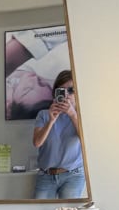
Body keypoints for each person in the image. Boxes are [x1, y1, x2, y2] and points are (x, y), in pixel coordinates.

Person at [32, 70, 87, 199]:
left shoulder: (81, 116)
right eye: (62, 90)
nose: (67, 95)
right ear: (55, 93)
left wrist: (73, 114)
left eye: (71, 90)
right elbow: (37, 143)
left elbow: (87, 142)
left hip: (73, 175)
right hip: (46, 175)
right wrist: (51, 120)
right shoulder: (44, 115)